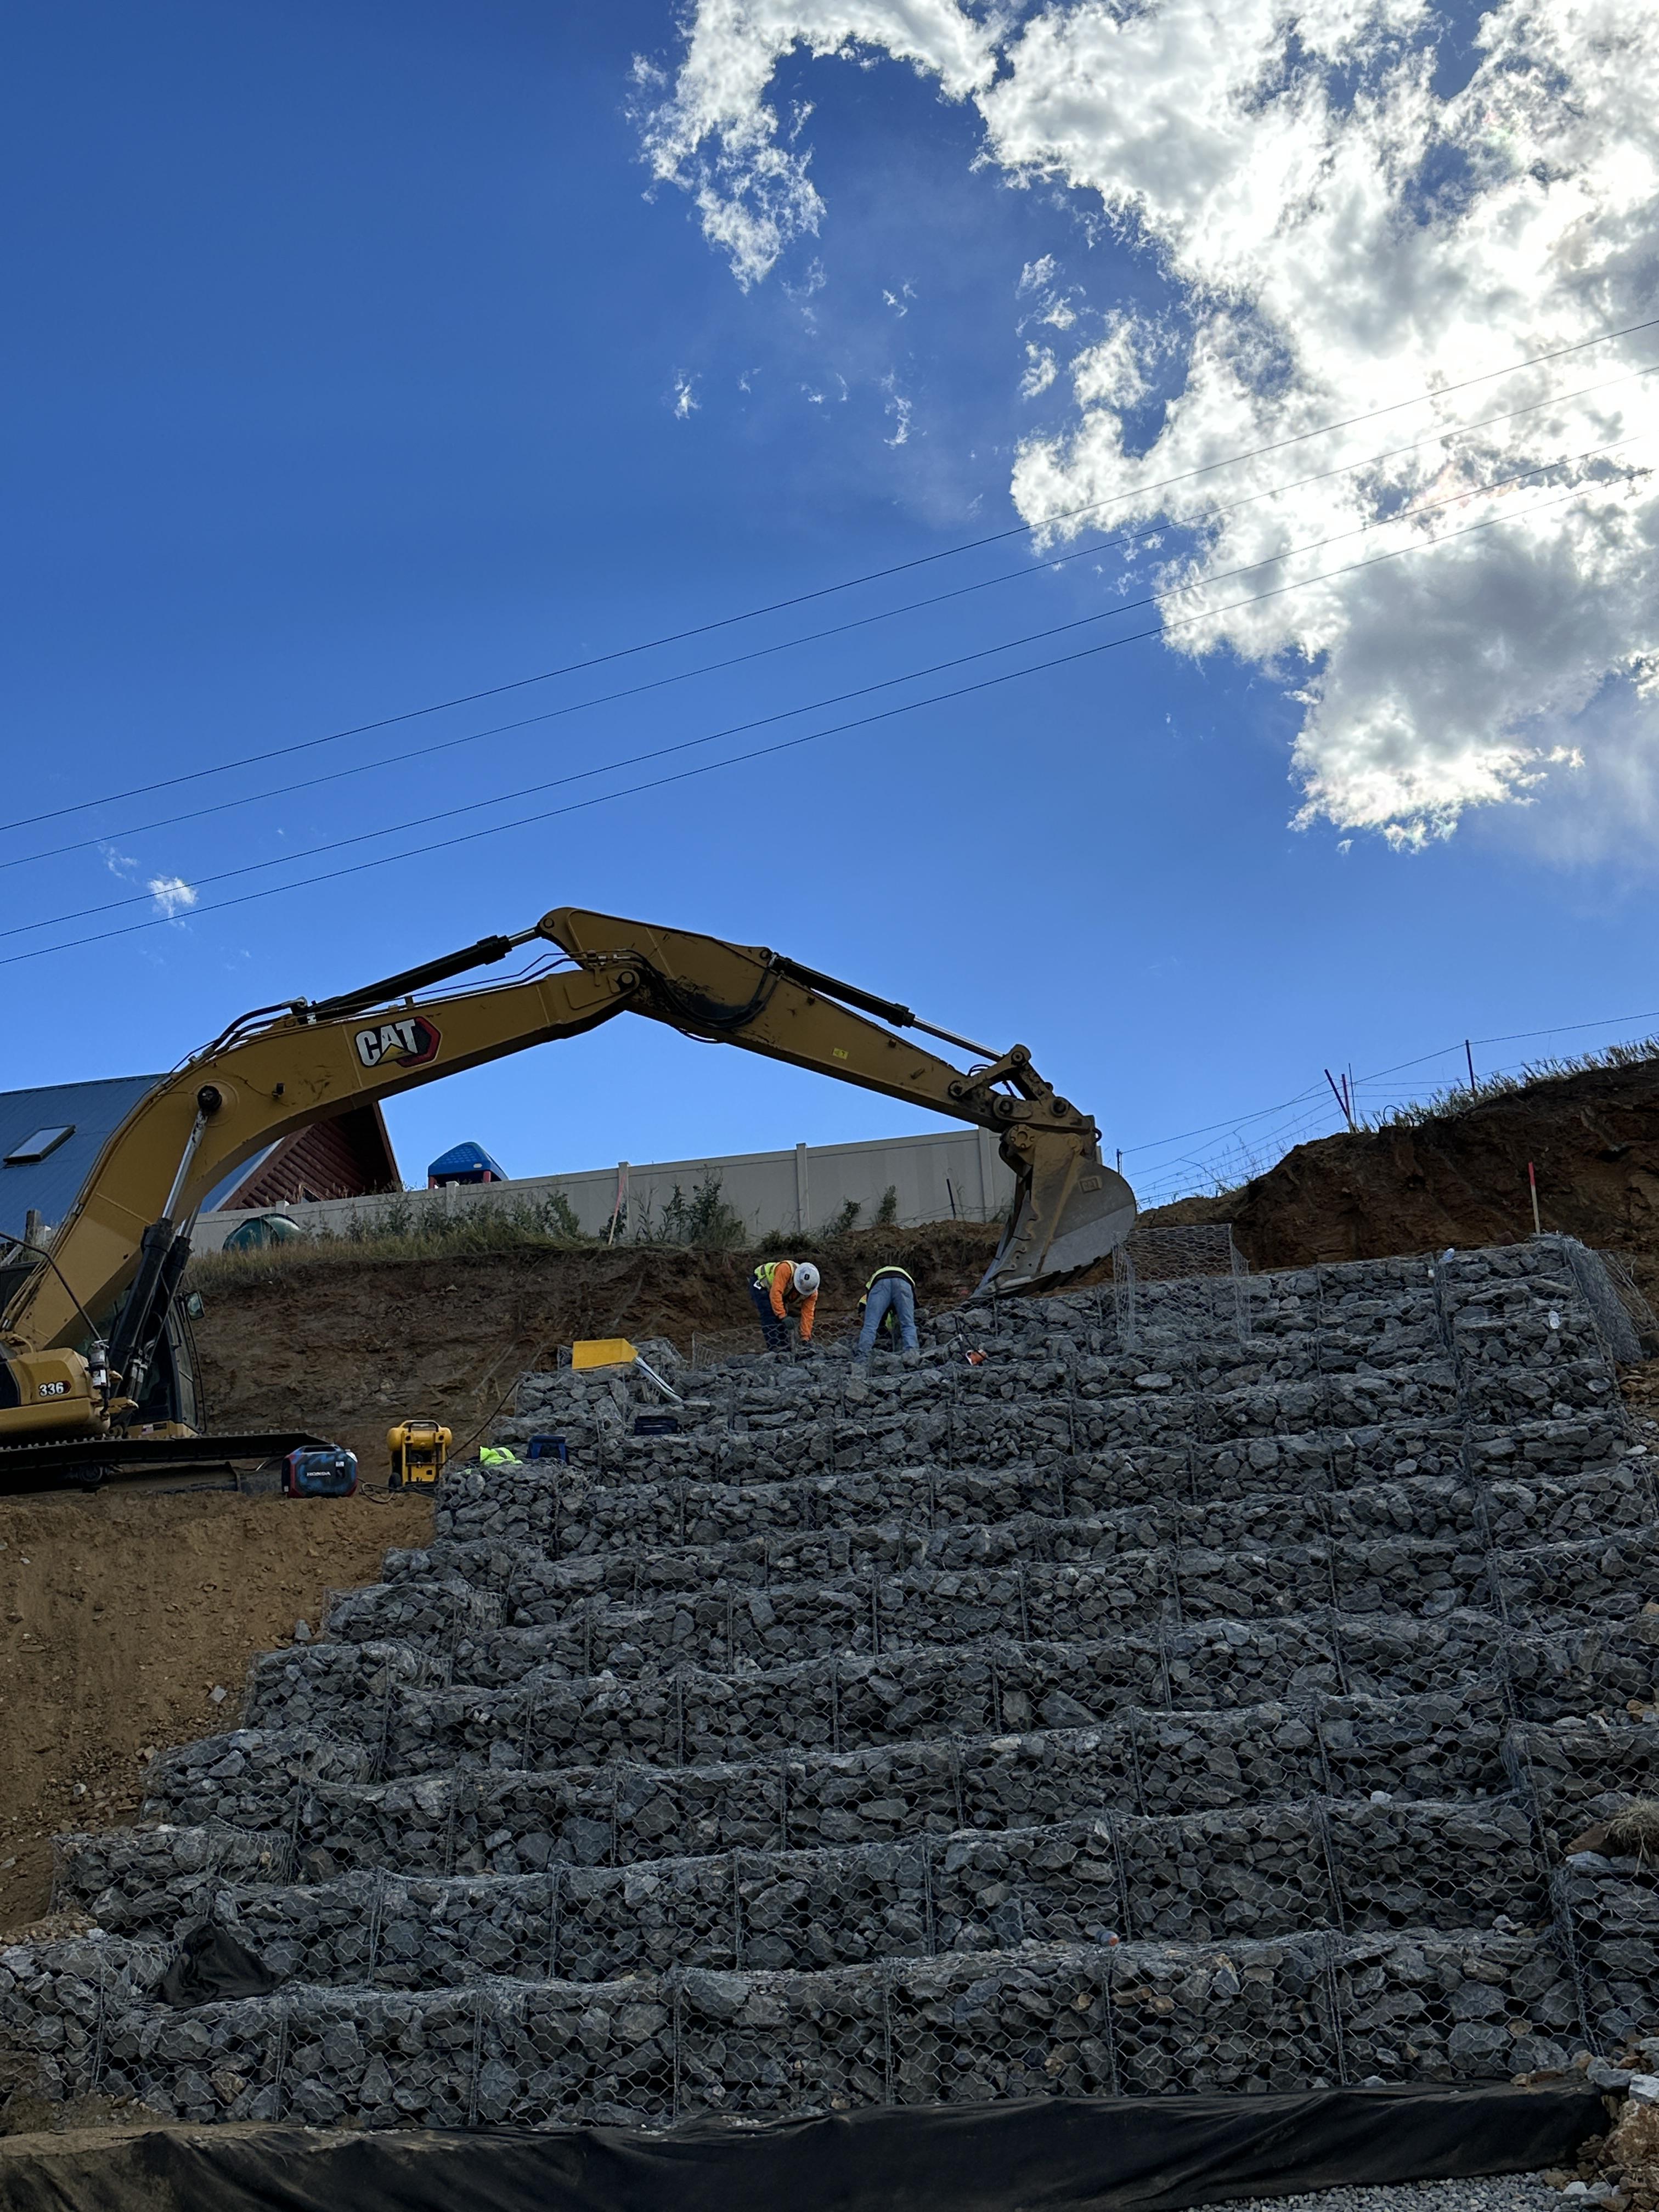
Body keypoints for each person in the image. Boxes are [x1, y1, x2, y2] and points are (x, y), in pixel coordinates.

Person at [855, 1261, 919, 1368]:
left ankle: (862, 1358)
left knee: (870, 1326)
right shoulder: (903, 1274)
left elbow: (866, 1303)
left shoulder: (875, 1279)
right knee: (908, 1324)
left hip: (880, 1284)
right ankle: (913, 1354)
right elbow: (914, 1307)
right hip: (904, 1283)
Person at [750, 1258, 820, 1351]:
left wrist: (805, 1338)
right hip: (761, 1283)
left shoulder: (812, 1293)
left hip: (778, 1291)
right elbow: (775, 1293)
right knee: (769, 1313)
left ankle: (785, 1349)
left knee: (781, 1320)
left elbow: (808, 1315)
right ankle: (775, 1348)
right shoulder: (786, 1269)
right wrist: (783, 1316)